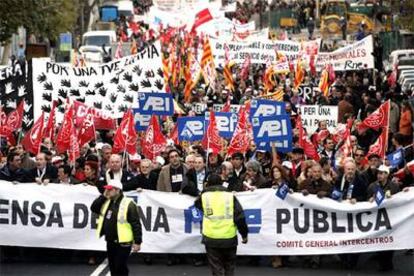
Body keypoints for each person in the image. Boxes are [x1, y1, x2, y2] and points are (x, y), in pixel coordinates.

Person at [194, 174, 248, 276]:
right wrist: (244, 235)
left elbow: (197, 204)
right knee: (229, 266)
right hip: (229, 237)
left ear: (208, 184)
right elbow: (240, 218)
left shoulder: (204, 197)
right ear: (222, 183)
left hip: (211, 237)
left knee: (216, 268)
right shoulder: (230, 196)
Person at [90, 179, 142, 276]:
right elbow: (94, 208)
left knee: (120, 268)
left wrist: (137, 242)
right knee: (113, 267)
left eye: (110, 189)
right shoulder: (107, 201)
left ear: (118, 190)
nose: (107, 191)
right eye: (107, 189)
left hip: (123, 243)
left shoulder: (128, 203)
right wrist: (103, 196)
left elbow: (136, 224)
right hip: (110, 241)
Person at [367, 165, 400, 271]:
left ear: (387, 174)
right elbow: (366, 199)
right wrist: (370, 198)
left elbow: (400, 200)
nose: (379, 175)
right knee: (380, 240)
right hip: (377, 218)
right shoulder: (372, 186)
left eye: (382, 173)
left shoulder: (394, 186)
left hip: (390, 218)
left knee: (390, 241)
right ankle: (382, 262)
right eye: (378, 173)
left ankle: (388, 262)